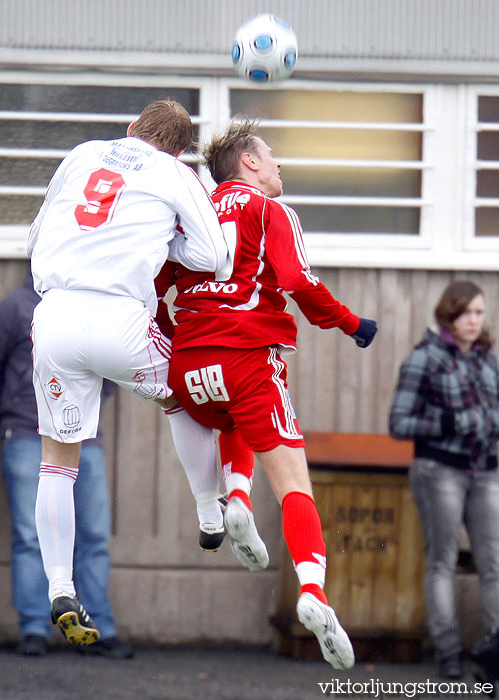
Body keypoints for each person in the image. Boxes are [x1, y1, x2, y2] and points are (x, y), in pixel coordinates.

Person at [165, 119, 378, 671]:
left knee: (230, 421)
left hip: (188, 363)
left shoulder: (192, 213)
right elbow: (297, 283)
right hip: (248, 357)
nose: (280, 164)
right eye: (272, 156)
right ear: (250, 164)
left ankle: (235, 500)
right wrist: (352, 323)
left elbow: (157, 278)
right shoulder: (272, 210)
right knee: (293, 486)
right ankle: (314, 591)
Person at [28, 99, 232, 647]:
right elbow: (212, 255)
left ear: (129, 130)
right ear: (179, 149)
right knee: (185, 398)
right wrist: (167, 240)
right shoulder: (176, 172)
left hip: (55, 315)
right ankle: (210, 513)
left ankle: (59, 589)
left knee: (56, 462)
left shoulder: (83, 153)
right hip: (121, 317)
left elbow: (38, 229)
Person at [0, 272, 134, 658]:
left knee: (93, 536)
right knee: (31, 537)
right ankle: (33, 629)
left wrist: (84, 417)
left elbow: (110, 370)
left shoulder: (94, 310)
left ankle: (97, 629)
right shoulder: (14, 309)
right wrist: (14, 415)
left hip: (85, 441)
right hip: (27, 438)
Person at [389, 280, 499, 680]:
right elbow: (398, 423)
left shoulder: (488, 361)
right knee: (443, 561)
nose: (474, 320)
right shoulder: (425, 358)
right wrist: (450, 422)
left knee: (494, 562)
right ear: (449, 315)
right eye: (467, 312)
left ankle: (494, 650)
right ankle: (449, 653)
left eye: (480, 312)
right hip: (440, 471)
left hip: (486, 470)